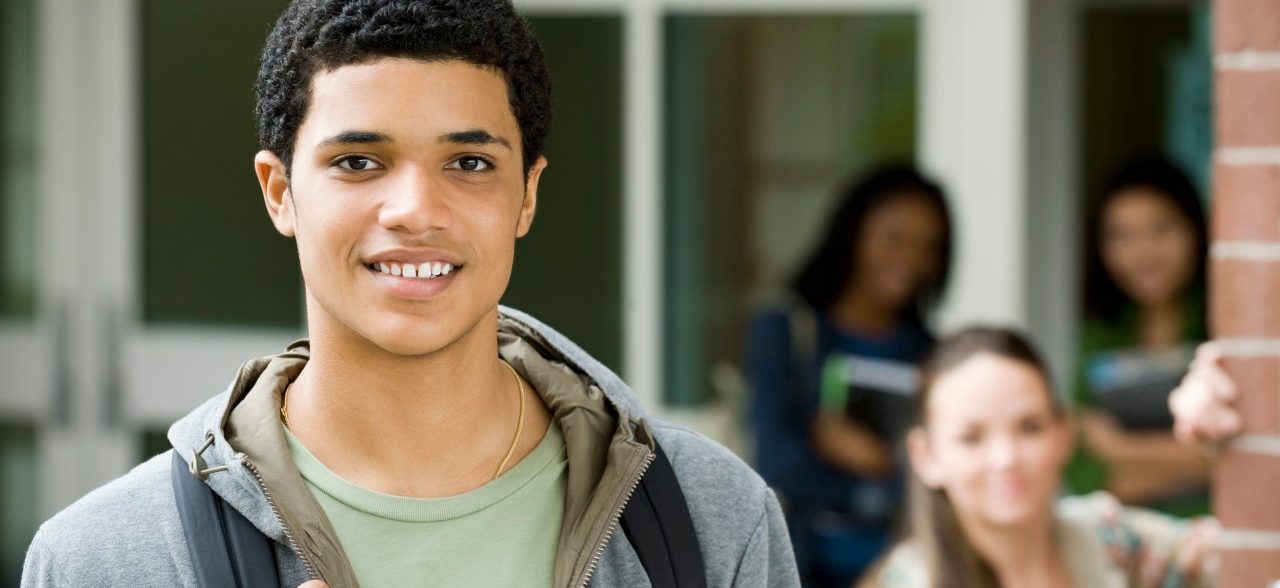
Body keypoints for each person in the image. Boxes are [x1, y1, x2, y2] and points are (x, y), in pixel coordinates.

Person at [21, 2, 798, 586]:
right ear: (279, 191)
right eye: (359, 162)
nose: (416, 211)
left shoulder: (709, 517)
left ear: (527, 195)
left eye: (468, 164)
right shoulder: (101, 559)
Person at [863, 328, 1221, 588]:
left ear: (1063, 433)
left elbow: (1246, 555)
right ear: (926, 456)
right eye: (972, 438)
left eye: (1030, 427)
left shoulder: (1108, 538)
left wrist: (1231, 408)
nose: (1006, 458)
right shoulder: (908, 581)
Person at [748, 166, 952, 586]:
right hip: (803, 564)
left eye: (927, 247)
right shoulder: (788, 330)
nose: (909, 260)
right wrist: (882, 485)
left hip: (904, 568)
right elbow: (775, 462)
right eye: (894, 239)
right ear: (854, 233)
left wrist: (878, 460)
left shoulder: (933, 353)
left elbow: (948, 476)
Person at [1069, 156, 1211, 515]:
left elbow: (1247, 456)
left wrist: (1119, 449)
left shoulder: (1229, 328)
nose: (1143, 252)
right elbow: (1083, 471)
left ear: (1196, 229)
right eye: (1121, 236)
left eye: (1161, 229)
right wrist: (1193, 463)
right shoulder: (1099, 337)